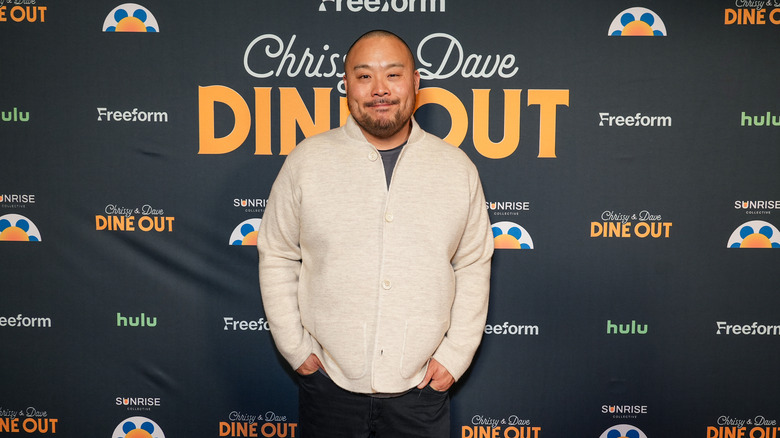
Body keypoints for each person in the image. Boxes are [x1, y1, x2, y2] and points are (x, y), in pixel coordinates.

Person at [257, 29, 493, 438]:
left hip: (421, 392)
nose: (379, 90)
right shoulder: (307, 161)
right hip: (328, 386)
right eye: (364, 76)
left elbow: (472, 262)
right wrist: (296, 349)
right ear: (346, 84)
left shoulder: (456, 168)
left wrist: (455, 355)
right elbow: (277, 253)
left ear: (416, 82)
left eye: (393, 75)